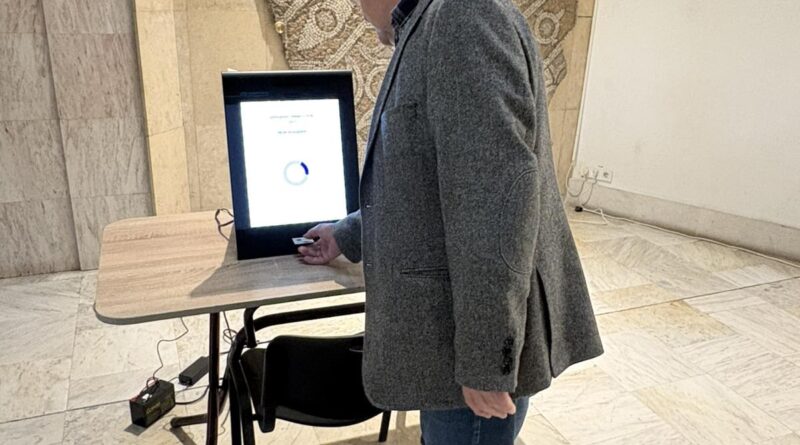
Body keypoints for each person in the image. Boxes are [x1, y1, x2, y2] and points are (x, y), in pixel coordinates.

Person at [298, 0, 604, 443]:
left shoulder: (464, 18)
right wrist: (346, 235)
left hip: (464, 357)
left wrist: (486, 362)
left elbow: (494, 205)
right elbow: (421, 184)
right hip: (449, 342)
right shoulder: (437, 22)